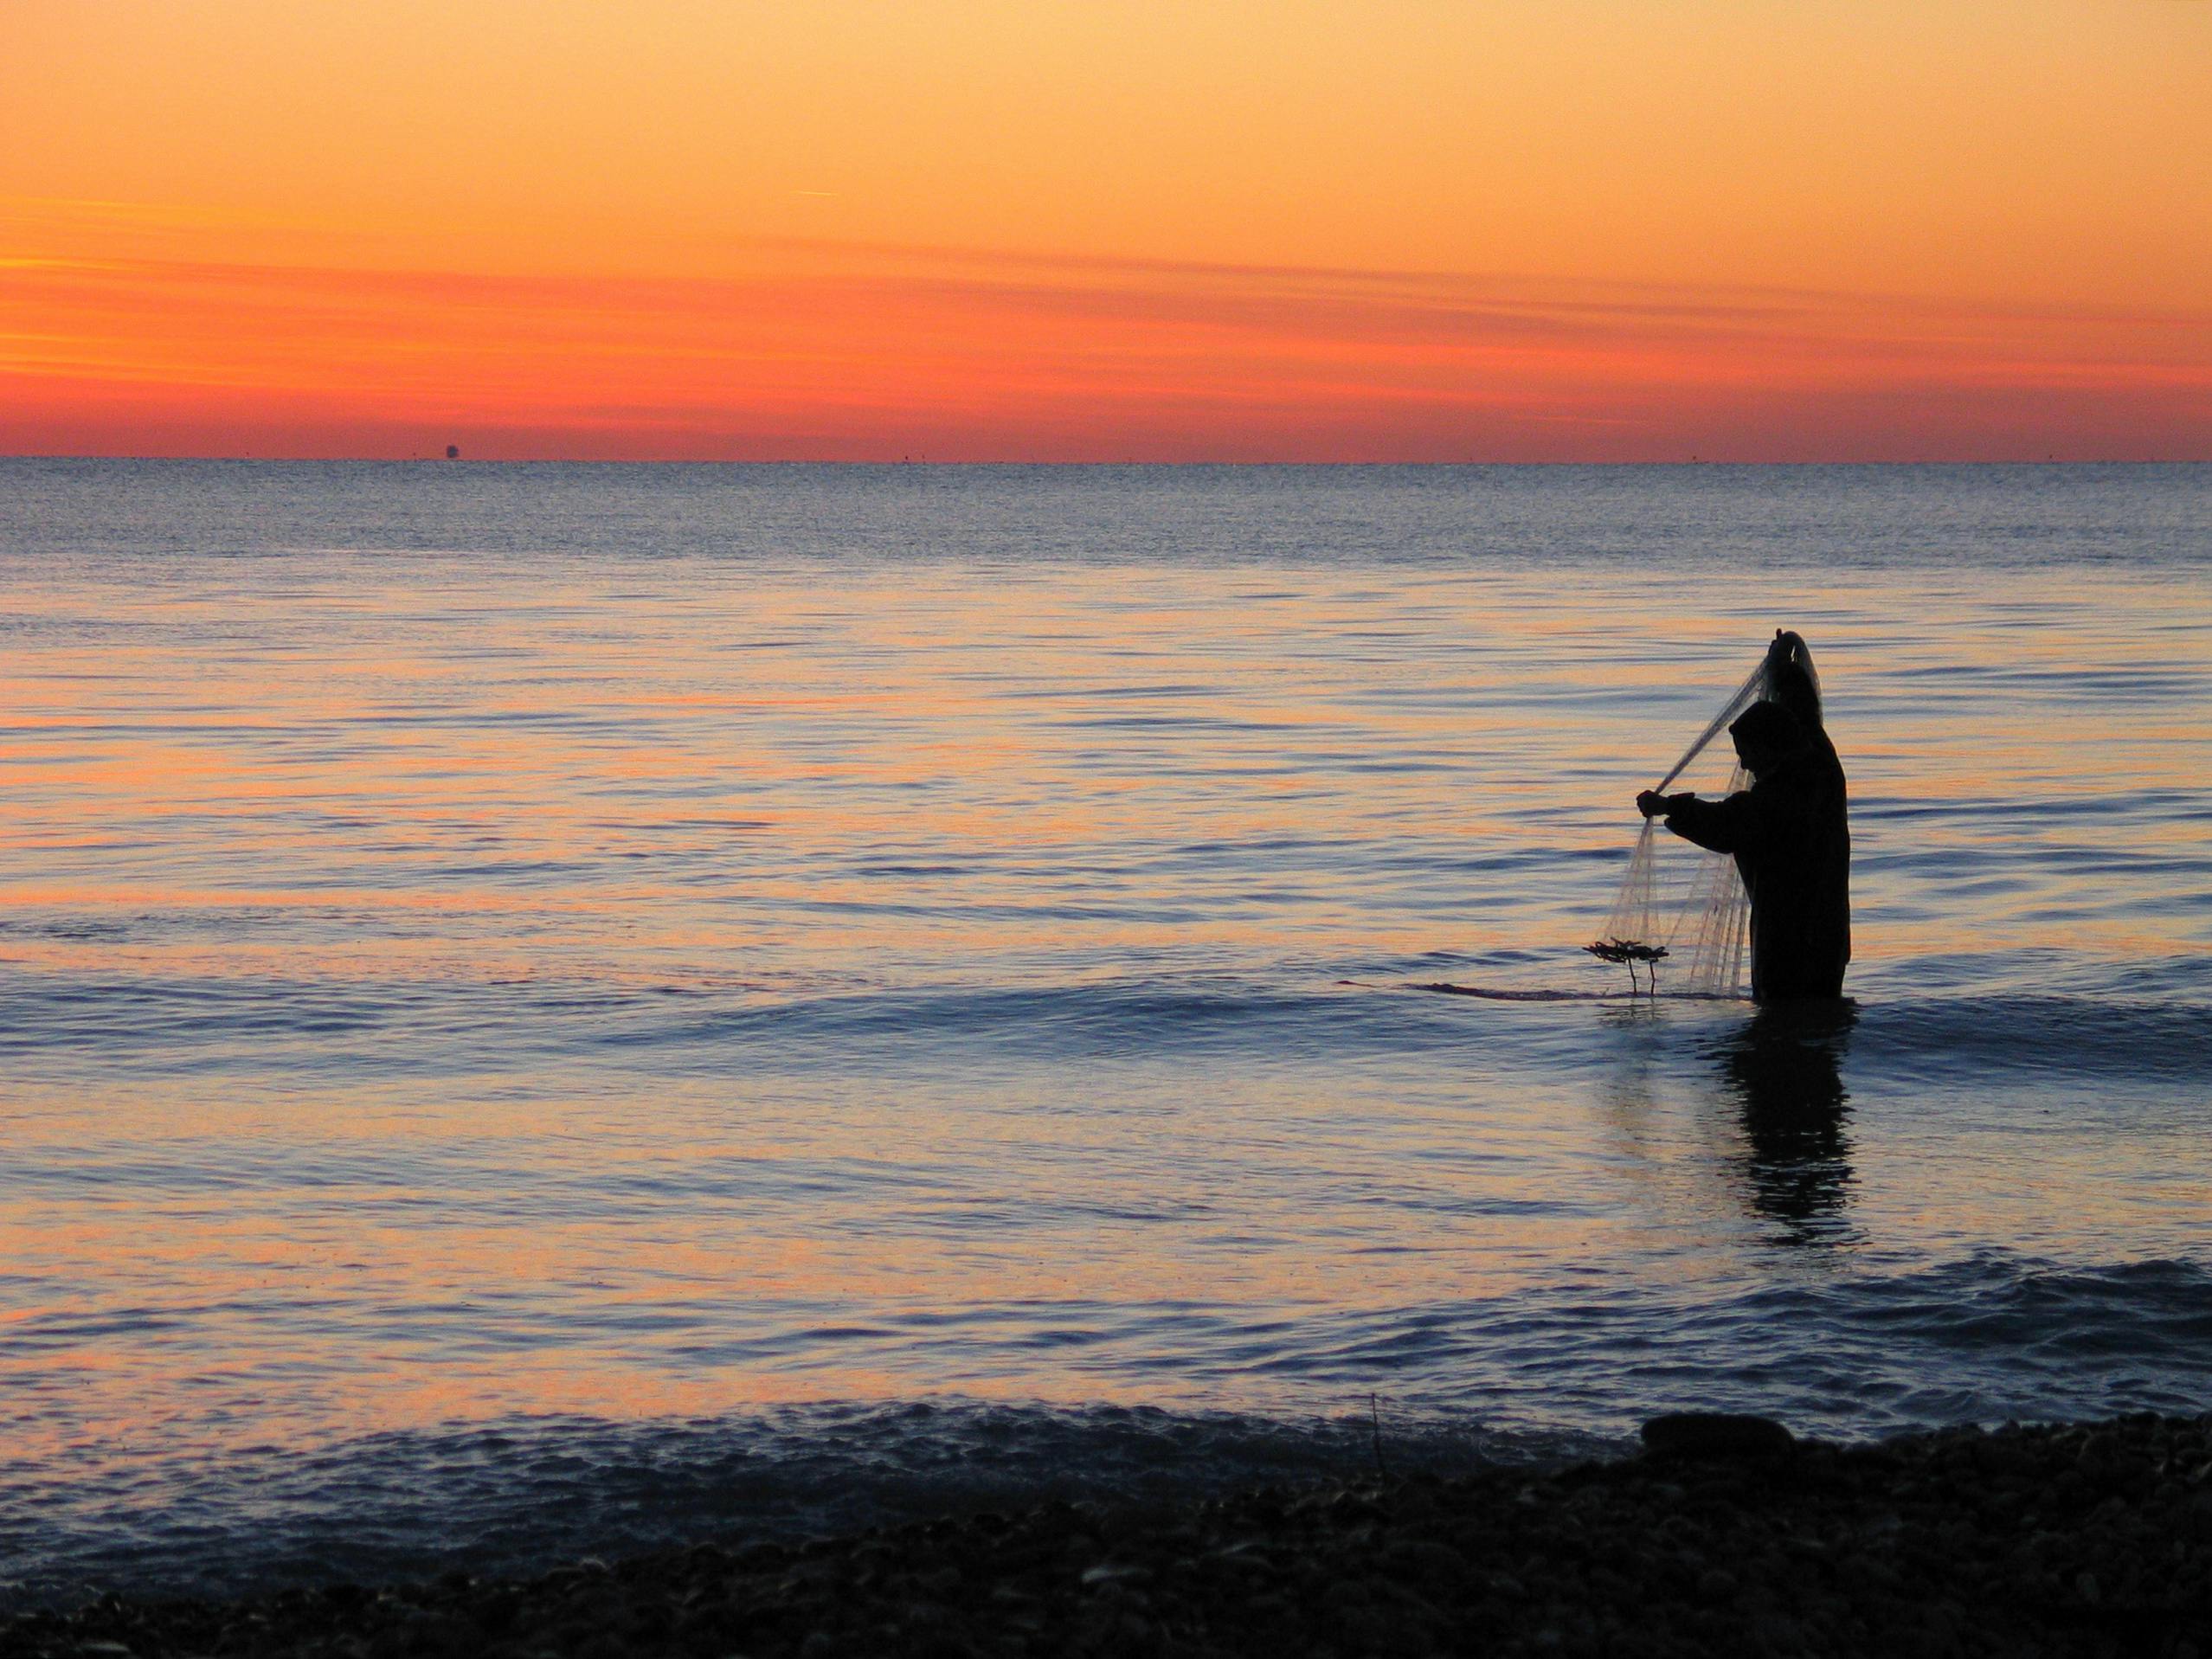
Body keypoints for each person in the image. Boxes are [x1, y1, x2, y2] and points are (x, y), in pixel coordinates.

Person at [1636, 632, 1850, 1001]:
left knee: (1781, 1032)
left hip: (1788, 944)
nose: (1744, 763)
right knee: (1820, 1031)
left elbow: (1726, 825)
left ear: (1770, 747)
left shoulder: (1780, 795)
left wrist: (1669, 806)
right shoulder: (1822, 766)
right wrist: (1782, 669)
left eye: (1747, 752)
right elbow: (1804, 715)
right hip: (1829, 937)